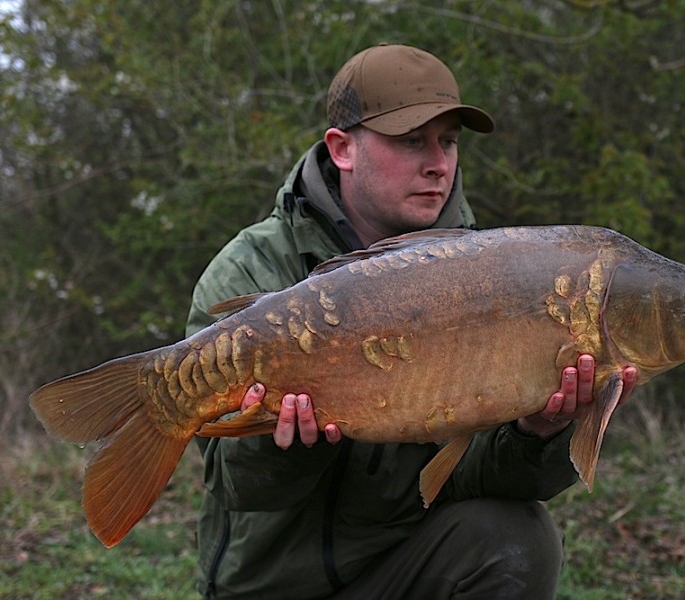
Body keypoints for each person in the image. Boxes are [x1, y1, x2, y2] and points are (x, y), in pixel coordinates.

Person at [186, 44, 637, 600]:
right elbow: (234, 485)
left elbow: (476, 478)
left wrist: (538, 432)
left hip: (398, 574)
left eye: (448, 141)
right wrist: (294, 442)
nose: (438, 163)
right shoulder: (253, 270)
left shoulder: (492, 276)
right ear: (342, 148)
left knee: (519, 539)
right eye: (411, 141)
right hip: (265, 589)